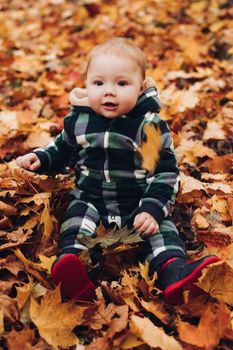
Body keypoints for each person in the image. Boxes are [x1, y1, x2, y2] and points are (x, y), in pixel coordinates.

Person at [16, 37, 219, 305]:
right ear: (87, 84)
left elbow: (162, 173)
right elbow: (62, 150)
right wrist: (41, 158)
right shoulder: (79, 121)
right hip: (93, 200)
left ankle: (173, 270)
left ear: (141, 87)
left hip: (137, 203)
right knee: (76, 221)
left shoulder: (146, 127)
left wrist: (152, 207)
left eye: (121, 83)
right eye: (99, 83)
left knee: (161, 231)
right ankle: (73, 269)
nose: (109, 91)